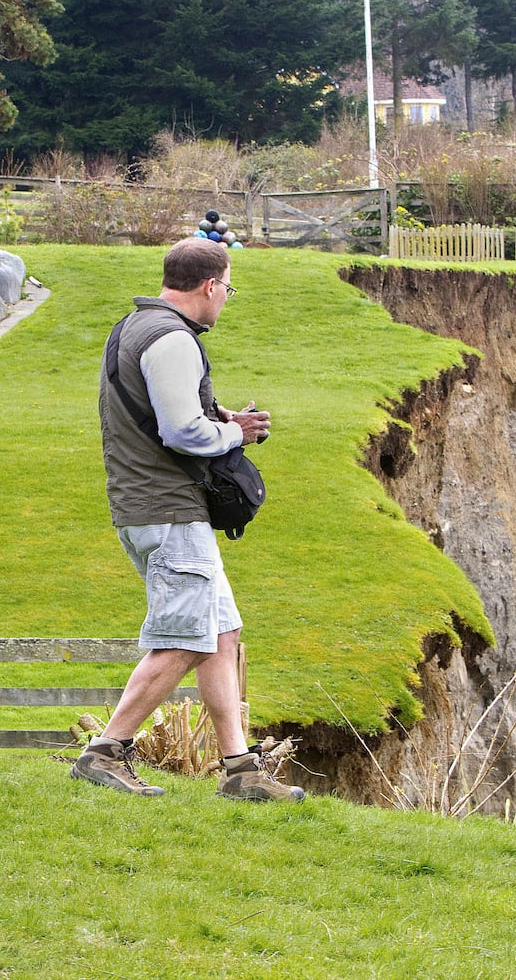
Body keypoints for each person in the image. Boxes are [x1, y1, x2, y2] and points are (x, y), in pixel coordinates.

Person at [72, 237, 304, 802]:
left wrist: (215, 414)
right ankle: (105, 753)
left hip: (149, 503)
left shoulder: (136, 327)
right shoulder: (173, 339)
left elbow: (157, 412)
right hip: (167, 508)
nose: (226, 298)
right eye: (227, 288)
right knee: (186, 637)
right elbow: (180, 433)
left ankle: (241, 771)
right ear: (209, 286)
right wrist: (234, 433)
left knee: (221, 632)